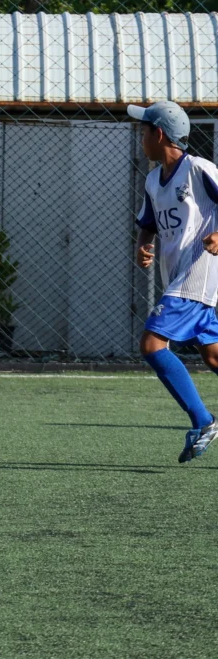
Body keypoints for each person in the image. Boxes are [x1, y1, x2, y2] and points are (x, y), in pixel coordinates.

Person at [131, 100, 218, 463]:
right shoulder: (153, 179)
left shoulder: (198, 168)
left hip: (197, 272)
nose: (141, 136)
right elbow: (148, 224)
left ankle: (203, 421)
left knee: (151, 344)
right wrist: (143, 246)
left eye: (144, 130)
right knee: (213, 355)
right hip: (180, 279)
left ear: (159, 134)